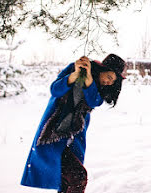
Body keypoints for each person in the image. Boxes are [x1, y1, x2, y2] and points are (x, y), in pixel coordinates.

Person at [21, 54, 126, 193]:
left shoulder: (97, 86)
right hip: (54, 133)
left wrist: (88, 80)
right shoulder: (75, 68)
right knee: (77, 177)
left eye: (113, 81)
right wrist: (75, 74)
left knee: (67, 183)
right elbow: (55, 90)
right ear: (102, 70)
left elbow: (94, 101)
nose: (110, 82)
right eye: (110, 77)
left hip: (74, 137)